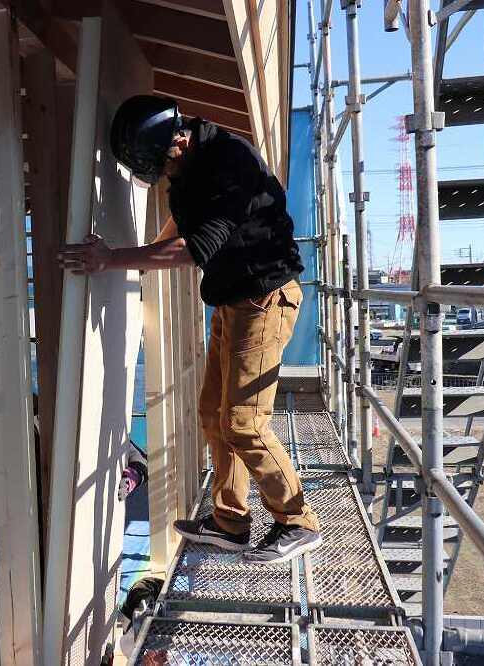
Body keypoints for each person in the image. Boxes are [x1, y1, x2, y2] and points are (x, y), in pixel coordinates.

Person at [58, 95, 321, 565]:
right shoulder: (185, 164)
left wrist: (114, 259)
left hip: (266, 299)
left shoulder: (231, 162)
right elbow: (181, 222)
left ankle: (297, 522)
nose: (165, 175)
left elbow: (195, 246)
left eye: (164, 165)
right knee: (211, 414)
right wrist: (135, 256)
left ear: (179, 139)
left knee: (244, 422)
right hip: (232, 300)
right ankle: (230, 523)